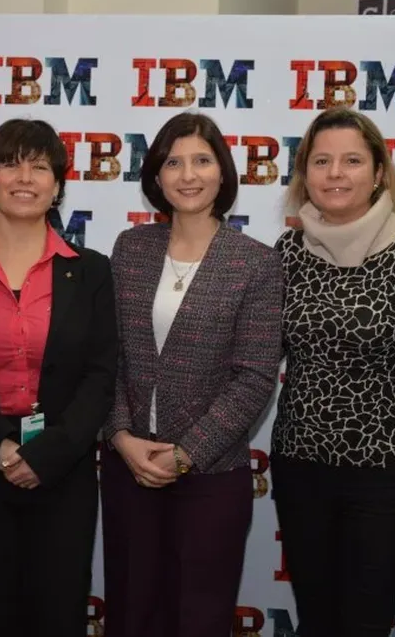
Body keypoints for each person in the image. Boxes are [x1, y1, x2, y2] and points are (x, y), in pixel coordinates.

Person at [271, 106, 395, 637]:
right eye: (322, 161)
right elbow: (258, 357)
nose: (335, 173)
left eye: (352, 160)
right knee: (316, 620)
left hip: (386, 476)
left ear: (379, 172)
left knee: (364, 624)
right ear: (305, 174)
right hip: (300, 467)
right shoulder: (288, 252)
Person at [101, 111, 283, 637]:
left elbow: (253, 379)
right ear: (156, 177)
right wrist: (119, 435)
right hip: (127, 469)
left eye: (201, 161)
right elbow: (108, 357)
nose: (187, 174)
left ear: (222, 173)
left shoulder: (256, 264)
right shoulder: (129, 250)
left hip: (209, 478)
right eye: (173, 162)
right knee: (131, 616)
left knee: (198, 621)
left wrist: (184, 454)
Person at [0, 118, 116, 637]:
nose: (25, 177)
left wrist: (48, 454)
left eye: (40, 166)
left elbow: (101, 375)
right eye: (10, 164)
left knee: (58, 613)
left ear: (57, 184)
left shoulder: (91, 271)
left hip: (63, 473)